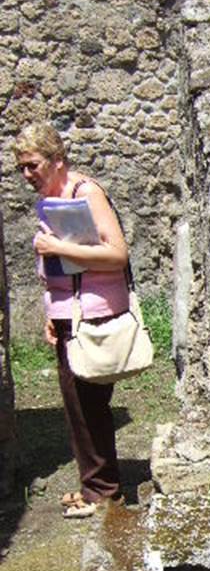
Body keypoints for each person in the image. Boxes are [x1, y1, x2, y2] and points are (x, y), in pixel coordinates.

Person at [13, 121, 129, 517]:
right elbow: (61, 269)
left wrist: (56, 245)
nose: (27, 175)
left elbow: (116, 255)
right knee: (79, 407)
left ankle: (103, 493)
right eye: (21, 168)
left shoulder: (86, 193)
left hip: (92, 315)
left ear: (57, 159)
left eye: (33, 165)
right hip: (69, 315)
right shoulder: (54, 196)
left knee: (87, 406)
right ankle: (95, 487)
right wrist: (50, 311)